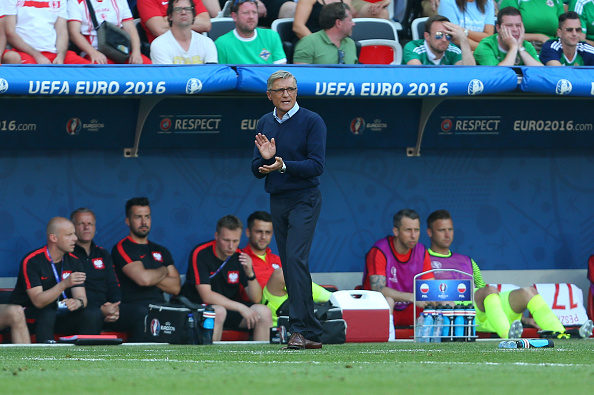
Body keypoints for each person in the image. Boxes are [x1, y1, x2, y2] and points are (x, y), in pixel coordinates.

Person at [426, 209, 594, 339]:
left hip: (479, 312)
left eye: (450, 229)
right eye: (442, 230)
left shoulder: (467, 261)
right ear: (430, 233)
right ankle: (508, 336)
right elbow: (424, 291)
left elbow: (482, 293)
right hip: (455, 316)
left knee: (528, 292)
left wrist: (524, 320)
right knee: (490, 291)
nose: (447, 234)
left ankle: (560, 332)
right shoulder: (424, 258)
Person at [252, 70, 327, 350]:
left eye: (291, 89)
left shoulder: (312, 121)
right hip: (278, 198)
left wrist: (282, 165)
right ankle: (311, 332)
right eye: (280, 90)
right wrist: (266, 161)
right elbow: (255, 168)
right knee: (291, 264)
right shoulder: (264, 122)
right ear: (269, 94)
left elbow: (316, 166)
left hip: (305, 198)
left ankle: (298, 330)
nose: (286, 94)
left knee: (294, 260)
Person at [179, 215, 272, 341]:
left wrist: (250, 273)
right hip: (197, 307)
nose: (231, 246)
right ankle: (211, 360)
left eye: (235, 241)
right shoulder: (201, 253)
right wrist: (241, 308)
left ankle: (262, 360)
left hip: (229, 308)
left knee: (264, 312)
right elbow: (207, 296)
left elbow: (255, 298)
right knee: (219, 312)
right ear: (216, 236)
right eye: (226, 240)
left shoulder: (240, 256)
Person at [10, 217, 99, 343]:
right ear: (53, 238)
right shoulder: (32, 260)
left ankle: (85, 358)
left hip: (59, 314)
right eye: (69, 235)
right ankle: (46, 358)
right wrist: (64, 284)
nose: (75, 238)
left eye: (74, 234)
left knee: (92, 313)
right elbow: (38, 301)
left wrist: (77, 302)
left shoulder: (74, 261)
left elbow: (82, 297)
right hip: (29, 315)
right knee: (47, 312)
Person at [241, 211, 332, 326]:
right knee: (281, 274)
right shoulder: (242, 258)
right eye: (259, 232)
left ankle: (326, 303)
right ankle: (332, 298)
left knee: (295, 273)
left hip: (286, 303)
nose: (263, 236)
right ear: (248, 232)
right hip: (260, 307)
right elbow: (254, 297)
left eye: (267, 232)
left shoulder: (276, 258)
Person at [111, 197, 181, 342]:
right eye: (138, 217)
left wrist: (150, 275)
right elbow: (143, 279)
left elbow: (175, 288)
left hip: (159, 306)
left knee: (181, 314)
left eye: (147, 217)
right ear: (128, 221)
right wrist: (163, 270)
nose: (144, 222)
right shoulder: (122, 247)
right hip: (131, 307)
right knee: (143, 313)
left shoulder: (161, 250)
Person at [362, 209, 432, 340]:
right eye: (408, 230)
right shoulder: (380, 250)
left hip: (410, 309)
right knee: (388, 301)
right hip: (380, 308)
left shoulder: (422, 251)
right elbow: (378, 290)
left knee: (438, 302)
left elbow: (430, 286)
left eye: (416, 230)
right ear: (396, 231)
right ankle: (386, 342)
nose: (413, 235)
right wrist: (412, 297)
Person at [71, 208, 121, 333]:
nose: (86, 227)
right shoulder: (67, 254)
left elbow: (113, 285)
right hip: (82, 310)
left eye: (90, 224)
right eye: (81, 223)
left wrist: (114, 307)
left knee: (140, 313)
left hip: (107, 308)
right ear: (72, 228)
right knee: (92, 315)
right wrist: (101, 310)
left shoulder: (103, 253)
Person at [3, 0, 90, 64]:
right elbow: (9, 32)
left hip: (55, 53)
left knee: (92, 73)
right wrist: (37, 55)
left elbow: (62, 32)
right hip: (23, 52)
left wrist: (60, 56)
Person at [67, 0, 151, 64]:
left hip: (120, 50)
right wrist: (93, 53)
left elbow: (131, 30)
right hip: (94, 51)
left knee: (148, 67)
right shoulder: (75, 1)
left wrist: (136, 52)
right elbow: (74, 33)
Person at [215, 0, 286, 64]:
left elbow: (282, 72)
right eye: (246, 13)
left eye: (254, 12)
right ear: (234, 16)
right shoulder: (222, 43)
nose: (251, 16)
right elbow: (223, 76)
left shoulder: (271, 36)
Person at [150, 0, 218, 64]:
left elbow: (211, 74)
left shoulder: (207, 42)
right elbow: (168, 75)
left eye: (188, 9)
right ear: (170, 16)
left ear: (193, 16)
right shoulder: (159, 44)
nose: (183, 12)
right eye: (178, 9)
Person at [474, 7, 543, 66]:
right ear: (498, 28)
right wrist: (513, 47)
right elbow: (498, 75)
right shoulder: (486, 45)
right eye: (509, 25)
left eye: (518, 25)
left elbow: (542, 72)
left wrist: (520, 48)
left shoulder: (526, 45)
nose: (515, 29)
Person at [293, 2, 357, 64]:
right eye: (350, 20)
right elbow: (302, 73)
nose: (353, 24)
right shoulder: (308, 43)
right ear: (338, 23)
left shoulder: (350, 43)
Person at [403, 14, 476, 65]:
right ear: (427, 36)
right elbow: (419, 76)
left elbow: (470, 74)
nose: (444, 39)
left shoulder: (453, 50)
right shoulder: (413, 47)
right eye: (439, 34)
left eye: (448, 35)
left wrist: (463, 40)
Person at [499, 0, 564, 52]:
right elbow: (507, 33)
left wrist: (553, 45)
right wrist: (540, 37)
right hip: (521, 46)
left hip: (552, 47)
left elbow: (562, 30)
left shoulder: (557, 1)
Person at [138, 0, 211, 43]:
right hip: (164, 48)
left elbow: (206, 24)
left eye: (187, 10)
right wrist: (187, 18)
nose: (183, 13)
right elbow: (159, 29)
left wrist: (170, 19)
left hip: (196, 45)